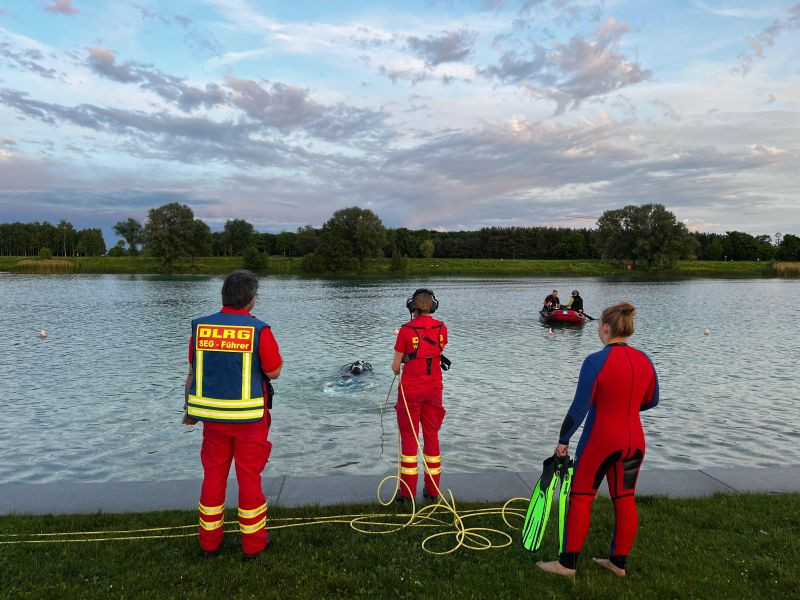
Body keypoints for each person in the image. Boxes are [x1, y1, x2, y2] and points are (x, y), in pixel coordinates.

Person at [537, 301, 659, 577]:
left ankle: (566, 564)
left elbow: (579, 408)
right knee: (625, 498)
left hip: (601, 441)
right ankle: (618, 563)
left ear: (604, 327)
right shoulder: (645, 360)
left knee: (580, 499)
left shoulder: (595, 361)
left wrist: (563, 440)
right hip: (634, 442)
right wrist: (625, 409)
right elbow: (652, 400)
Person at [183, 270, 282, 560]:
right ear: (250, 300)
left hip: (212, 419)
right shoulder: (258, 330)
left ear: (224, 296)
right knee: (249, 478)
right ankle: (253, 544)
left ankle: (209, 543)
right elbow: (274, 370)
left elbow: (192, 370)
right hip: (249, 419)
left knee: (213, 476)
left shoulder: (201, 328)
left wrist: (187, 409)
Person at [391, 288, 449, 503]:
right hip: (434, 390)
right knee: (431, 437)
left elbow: (395, 367)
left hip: (411, 393)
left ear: (412, 307)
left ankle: (407, 494)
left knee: (409, 439)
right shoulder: (442, 328)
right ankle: (433, 490)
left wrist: (406, 358)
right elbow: (436, 350)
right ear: (433, 306)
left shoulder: (406, 330)